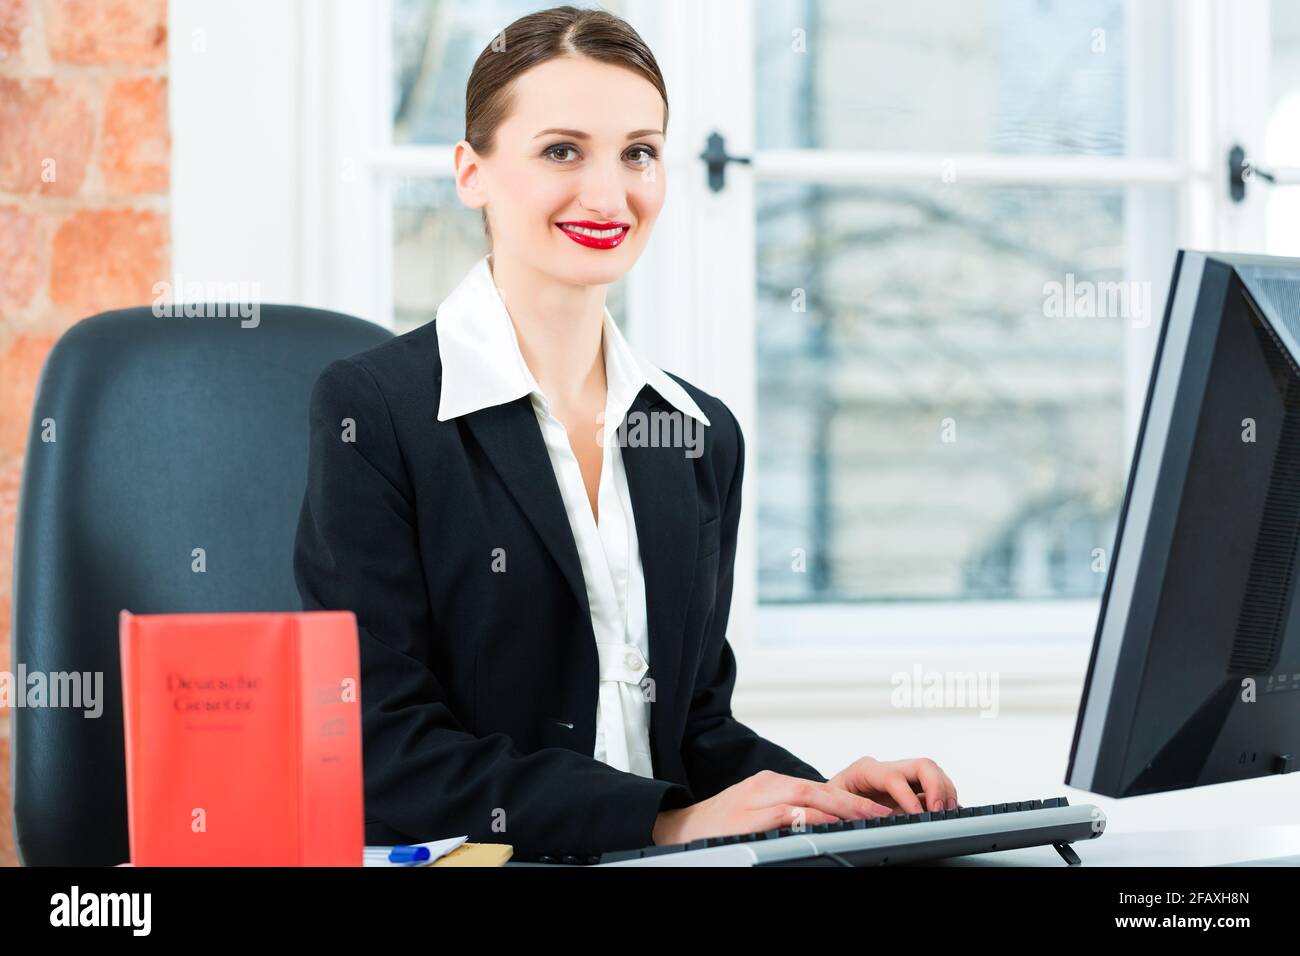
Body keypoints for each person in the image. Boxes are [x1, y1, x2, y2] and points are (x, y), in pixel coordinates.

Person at [293, 5, 957, 863]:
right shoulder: (373, 412)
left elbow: (691, 733)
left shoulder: (695, 435)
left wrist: (830, 799)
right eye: (561, 150)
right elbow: (379, 749)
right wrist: (662, 823)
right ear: (473, 172)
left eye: (638, 151)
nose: (609, 194)